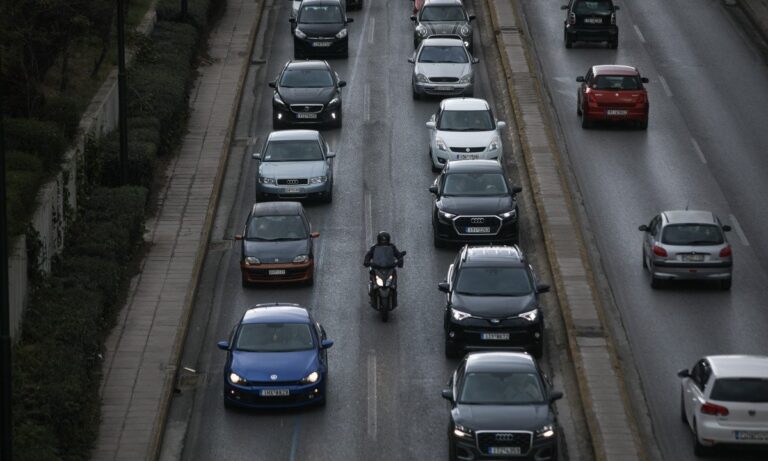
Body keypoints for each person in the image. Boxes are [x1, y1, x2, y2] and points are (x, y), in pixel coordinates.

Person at [363, 231, 405, 305]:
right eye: (382, 241)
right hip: (377, 268)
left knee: (394, 277)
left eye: (385, 241)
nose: (383, 242)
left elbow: (398, 255)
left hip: (389, 268)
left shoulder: (392, 247)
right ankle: (372, 289)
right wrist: (367, 261)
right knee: (372, 274)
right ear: (379, 240)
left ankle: (393, 293)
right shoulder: (374, 248)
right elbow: (368, 255)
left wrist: (400, 260)